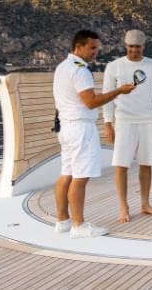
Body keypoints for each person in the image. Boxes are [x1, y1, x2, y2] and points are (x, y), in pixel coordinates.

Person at [53, 29, 135, 238]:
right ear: (78, 47)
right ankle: (78, 225)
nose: (95, 52)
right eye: (92, 48)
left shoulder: (62, 67)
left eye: (97, 48)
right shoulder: (80, 70)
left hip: (66, 127)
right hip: (80, 129)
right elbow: (90, 102)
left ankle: (63, 221)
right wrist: (118, 91)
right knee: (80, 177)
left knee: (67, 174)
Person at [103, 29, 152, 223]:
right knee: (121, 165)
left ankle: (145, 204)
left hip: (148, 120)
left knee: (146, 164)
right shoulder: (114, 66)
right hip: (123, 121)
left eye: (137, 47)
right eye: (130, 47)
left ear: (143, 46)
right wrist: (108, 123)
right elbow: (107, 96)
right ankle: (123, 207)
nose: (134, 50)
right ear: (125, 46)